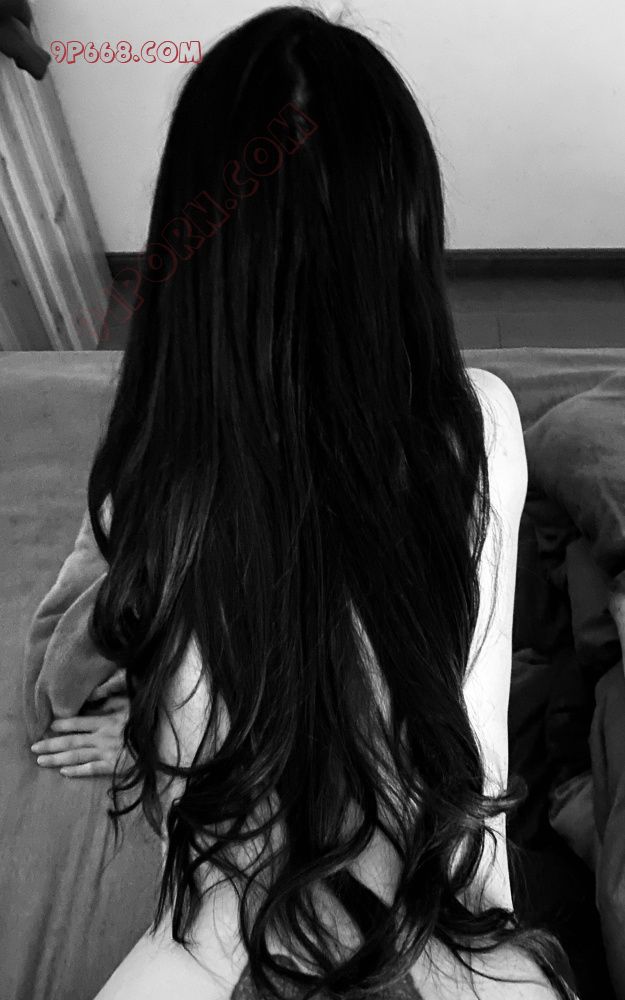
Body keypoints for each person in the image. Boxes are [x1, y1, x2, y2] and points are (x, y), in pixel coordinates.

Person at [31, 6, 578, 998]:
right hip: (410, 878)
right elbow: (465, 733)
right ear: (404, 246)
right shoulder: (476, 427)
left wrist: (147, 723)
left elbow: (74, 690)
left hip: (256, 890)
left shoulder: (162, 458)